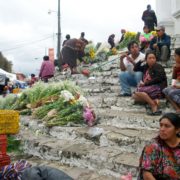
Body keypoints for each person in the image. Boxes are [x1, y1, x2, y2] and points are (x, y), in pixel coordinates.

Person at [138, 113, 180, 180]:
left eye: (167, 126)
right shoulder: (152, 146)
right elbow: (147, 174)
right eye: (161, 125)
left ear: (177, 130)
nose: (162, 129)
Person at [133, 51, 167, 115]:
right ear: (146, 59)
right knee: (134, 96)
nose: (152, 60)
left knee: (138, 90)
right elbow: (135, 69)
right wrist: (141, 61)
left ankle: (153, 106)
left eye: (153, 58)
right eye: (150, 58)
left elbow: (158, 78)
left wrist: (145, 84)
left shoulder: (158, 66)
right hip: (148, 89)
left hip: (158, 88)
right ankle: (152, 102)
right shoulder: (146, 67)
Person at [163, 48, 180, 114]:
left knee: (171, 93)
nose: (174, 57)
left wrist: (178, 87)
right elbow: (174, 80)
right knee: (165, 90)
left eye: (175, 56)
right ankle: (177, 108)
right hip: (177, 87)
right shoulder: (176, 66)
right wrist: (174, 70)